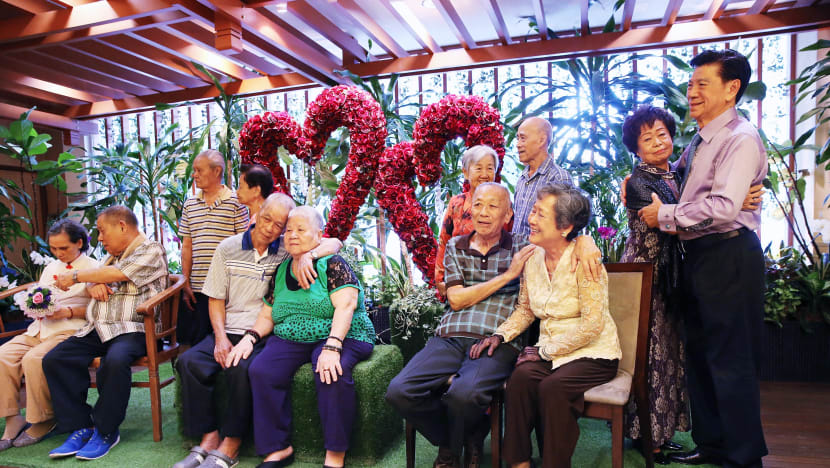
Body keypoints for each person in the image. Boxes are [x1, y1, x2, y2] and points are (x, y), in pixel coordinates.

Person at [638, 49, 768, 468]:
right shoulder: (701, 138)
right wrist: (637, 176)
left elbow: (724, 208)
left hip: (728, 255)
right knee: (701, 355)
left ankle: (743, 456)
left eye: (702, 84)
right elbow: (682, 181)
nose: (691, 92)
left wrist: (665, 216)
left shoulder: (740, 139)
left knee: (730, 360)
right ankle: (712, 444)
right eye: (691, 84)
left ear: (731, 90)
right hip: (698, 256)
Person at [173, 194, 343, 468]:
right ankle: (208, 437)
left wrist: (307, 255)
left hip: (263, 331)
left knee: (243, 368)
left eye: (279, 224)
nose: (270, 228)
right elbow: (215, 298)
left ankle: (232, 443)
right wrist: (220, 338)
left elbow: (335, 242)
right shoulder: (227, 248)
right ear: (256, 213)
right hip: (227, 328)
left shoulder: (287, 248)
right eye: (266, 219)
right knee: (188, 362)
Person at [471, 183, 621, 468]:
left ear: (564, 227)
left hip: (593, 353)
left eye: (540, 214)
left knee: (553, 388)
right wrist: (500, 335)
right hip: (551, 351)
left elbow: (593, 325)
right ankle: (519, 463)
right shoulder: (533, 257)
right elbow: (526, 309)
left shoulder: (585, 261)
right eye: (534, 211)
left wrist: (544, 352)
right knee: (520, 380)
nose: (531, 218)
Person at [387, 183, 533, 468]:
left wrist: (586, 244)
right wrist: (508, 276)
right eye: (478, 204)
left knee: (465, 395)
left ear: (508, 214)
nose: (483, 212)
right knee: (399, 391)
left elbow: (566, 240)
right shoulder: (456, 246)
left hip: (495, 338)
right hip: (451, 335)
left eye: (493, 206)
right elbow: (455, 299)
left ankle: (448, 453)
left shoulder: (523, 247)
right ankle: (465, 436)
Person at [227, 206, 373, 468]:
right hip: (292, 337)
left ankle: (335, 456)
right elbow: (268, 314)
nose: (292, 235)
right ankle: (278, 449)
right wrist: (250, 337)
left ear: (318, 235)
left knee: (330, 370)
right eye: (289, 230)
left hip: (341, 332)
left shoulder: (332, 263)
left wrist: (333, 346)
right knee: (261, 369)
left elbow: (346, 305)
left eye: (301, 230)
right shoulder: (282, 270)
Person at [42, 206, 168, 460]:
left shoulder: (151, 249)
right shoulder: (113, 255)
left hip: (133, 328)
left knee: (115, 360)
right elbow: (102, 274)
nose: (99, 238)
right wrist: (93, 284)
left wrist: (77, 276)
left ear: (122, 226)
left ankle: (106, 430)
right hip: (99, 327)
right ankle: (81, 425)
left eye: (102, 231)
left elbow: (120, 274)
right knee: (55, 360)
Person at [619, 106, 691, 463]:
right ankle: (648, 437)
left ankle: (658, 432)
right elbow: (676, 216)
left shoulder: (675, 174)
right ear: (636, 148)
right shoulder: (639, 180)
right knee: (650, 356)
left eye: (662, 133)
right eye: (647, 138)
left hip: (667, 276)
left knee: (667, 353)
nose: (657, 141)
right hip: (646, 276)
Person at [0, 219, 99, 451]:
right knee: (3, 354)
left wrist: (68, 311)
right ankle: (12, 417)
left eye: (63, 248)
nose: (58, 253)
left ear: (80, 243)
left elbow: (100, 309)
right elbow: (40, 296)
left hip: (70, 330)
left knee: (34, 359)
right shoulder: (51, 267)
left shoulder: (93, 267)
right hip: (39, 328)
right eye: (53, 248)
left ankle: (43, 419)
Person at [179, 149, 249, 346]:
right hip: (199, 285)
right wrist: (185, 281)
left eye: (199, 170)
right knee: (200, 339)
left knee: (226, 338)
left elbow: (243, 244)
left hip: (226, 287)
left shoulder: (236, 201)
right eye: (194, 171)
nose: (194, 175)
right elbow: (187, 245)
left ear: (217, 171)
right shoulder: (190, 204)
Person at [436, 145, 511, 296]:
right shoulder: (456, 203)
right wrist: (440, 278)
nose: (484, 174)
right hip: (459, 281)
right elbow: (445, 240)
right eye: (478, 168)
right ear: (465, 172)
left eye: (490, 168)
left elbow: (511, 241)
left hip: (493, 280)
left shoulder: (504, 202)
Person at [512, 116, 573, 238]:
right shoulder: (523, 178)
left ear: (541, 140)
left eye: (523, 138)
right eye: (517, 139)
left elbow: (565, 230)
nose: (518, 145)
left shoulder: (559, 178)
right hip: (516, 254)